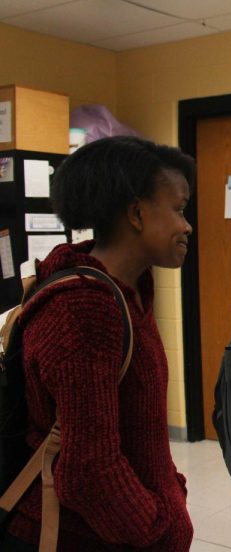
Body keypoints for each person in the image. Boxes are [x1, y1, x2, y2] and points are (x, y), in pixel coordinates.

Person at [3, 136, 194, 550]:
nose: (187, 225)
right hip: (73, 537)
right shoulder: (85, 309)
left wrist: (170, 492)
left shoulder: (128, 293)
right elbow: (89, 470)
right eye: (178, 209)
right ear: (137, 213)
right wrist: (159, 527)